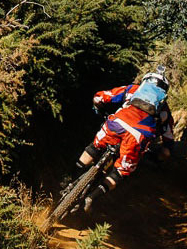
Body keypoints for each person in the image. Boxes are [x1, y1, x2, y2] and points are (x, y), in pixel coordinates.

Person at [74, 66, 176, 212]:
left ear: (145, 82)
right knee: (121, 170)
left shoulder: (133, 89)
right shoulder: (165, 111)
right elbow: (167, 149)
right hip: (138, 137)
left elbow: (99, 97)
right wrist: (158, 159)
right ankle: (93, 197)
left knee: (94, 147)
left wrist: (98, 109)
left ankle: (70, 178)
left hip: (117, 124)